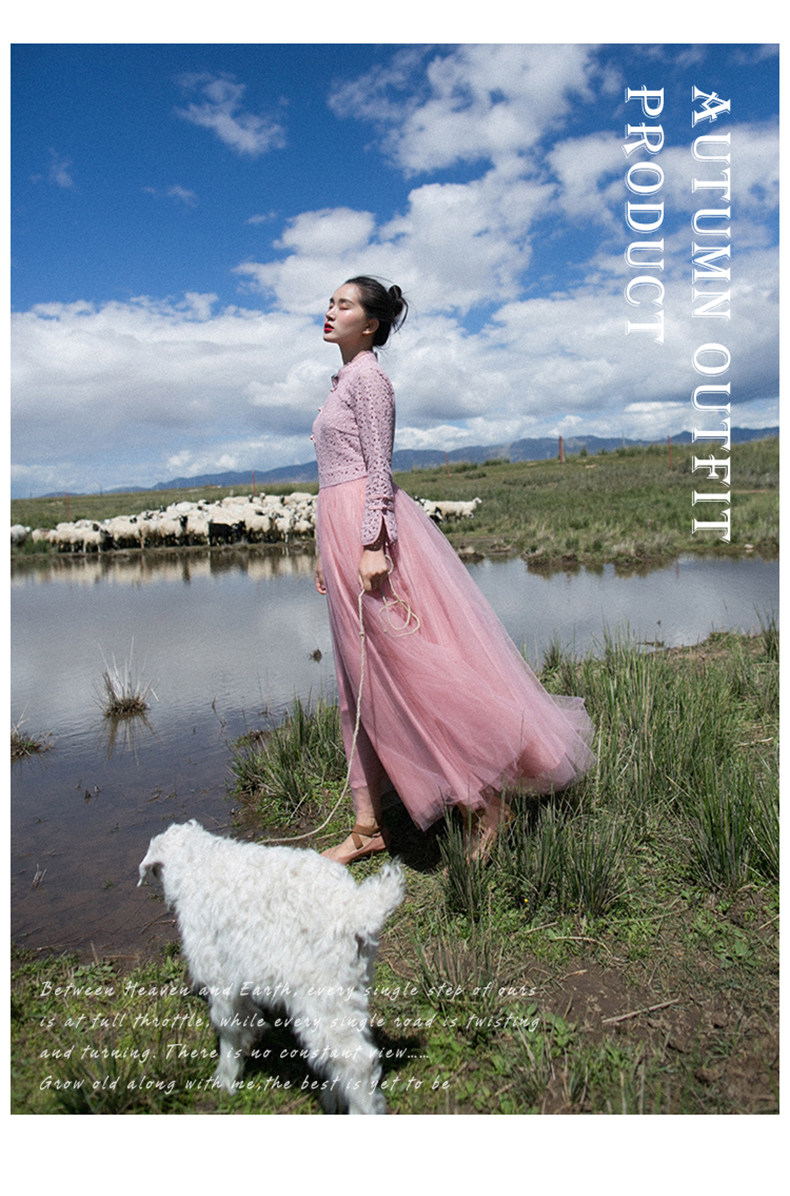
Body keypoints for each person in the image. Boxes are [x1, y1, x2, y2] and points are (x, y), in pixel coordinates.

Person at [312, 276, 595, 865]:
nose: (330, 310)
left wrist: (372, 543)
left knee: (409, 671)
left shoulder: (370, 380)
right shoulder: (341, 382)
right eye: (331, 302)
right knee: (355, 682)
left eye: (344, 304)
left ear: (371, 324)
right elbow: (333, 478)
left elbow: (378, 470)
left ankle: (485, 799)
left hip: (367, 535)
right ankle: (368, 825)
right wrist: (325, 552)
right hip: (338, 535)